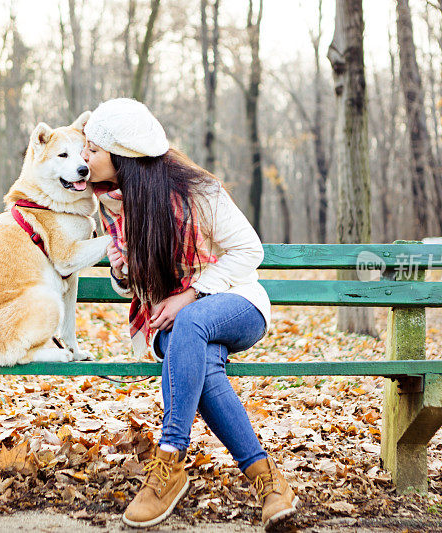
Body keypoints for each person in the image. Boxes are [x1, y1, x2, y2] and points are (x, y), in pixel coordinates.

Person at [81, 98, 297, 529]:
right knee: (203, 363)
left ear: (123, 157)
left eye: (93, 149)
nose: (85, 158)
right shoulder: (115, 207)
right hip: (169, 323)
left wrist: (192, 294)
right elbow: (141, 289)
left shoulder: (198, 193)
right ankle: (269, 482)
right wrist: (122, 275)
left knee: (192, 320)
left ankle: (170, 458)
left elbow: (249, 251)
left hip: (238, 304)